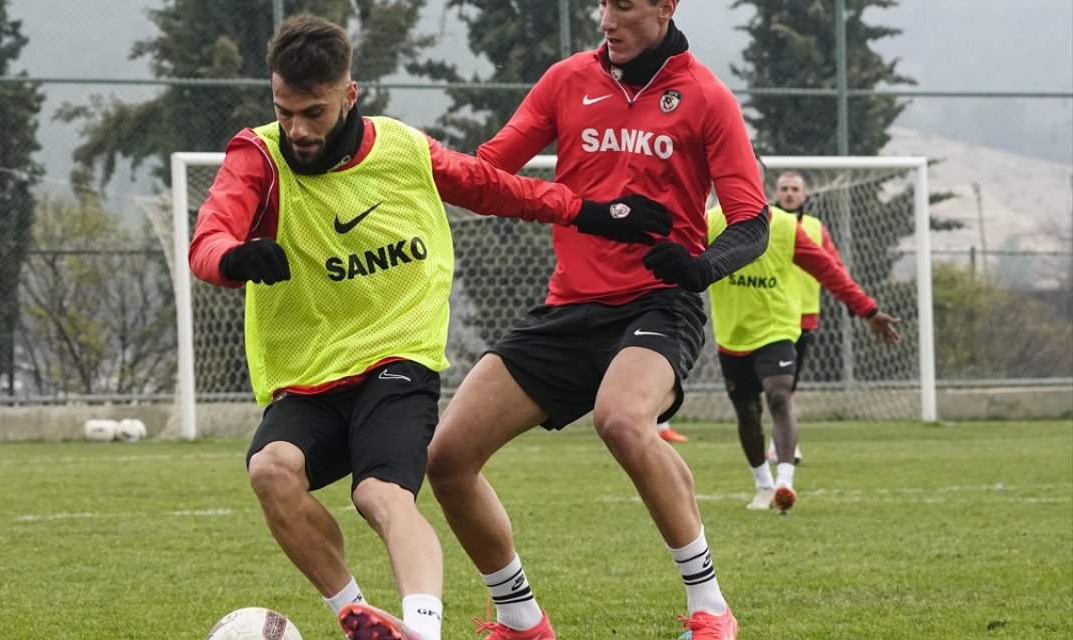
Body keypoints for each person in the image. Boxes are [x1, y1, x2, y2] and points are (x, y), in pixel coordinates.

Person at [187, 14, 674, 640]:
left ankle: (422, 628)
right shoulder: (257, 155)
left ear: (349, 95)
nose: (297, 129)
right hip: (309, 375)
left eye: (313, 112)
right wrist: (232, 258)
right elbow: (208, 241)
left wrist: (593, 212)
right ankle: (355, 615)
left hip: (398, 362)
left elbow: (498, 189)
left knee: (380, 497)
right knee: (270, 471)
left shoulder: (404, 151)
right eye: (284, 111)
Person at [425, 2, 773, 638]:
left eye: (625, 5)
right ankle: (521, 618)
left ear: (666, 7)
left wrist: (698, 268)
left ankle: (711, 608)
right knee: (447, 458)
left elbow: (751, 221)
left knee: (619, 419)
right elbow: (487, 173)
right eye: (603, 4)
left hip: (657, 305)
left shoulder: (707, 97)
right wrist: (405, 156)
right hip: (568, 307)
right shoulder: (565, 80)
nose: (607, 19)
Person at [705, 205, 901, 513]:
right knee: (748, 412)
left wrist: (869, 310)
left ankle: (785, 481)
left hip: (778, 328)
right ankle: (763, 484)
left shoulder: (784, 226)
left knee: (779, 396)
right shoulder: (709, 222)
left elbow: (828, 270)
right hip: (732, 333)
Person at [764, 171, 845, 465]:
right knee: (773, 387)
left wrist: (850, 298)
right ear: (775, 193)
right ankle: (781, 446)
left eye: (794, 189)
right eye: (784, 188)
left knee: (788, 386)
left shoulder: (815, 227)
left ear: (805, 195)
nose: (789, 194)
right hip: (770, 315)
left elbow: (833, 266)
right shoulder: (768, 225)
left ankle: (783, 444)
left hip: (804, 315)